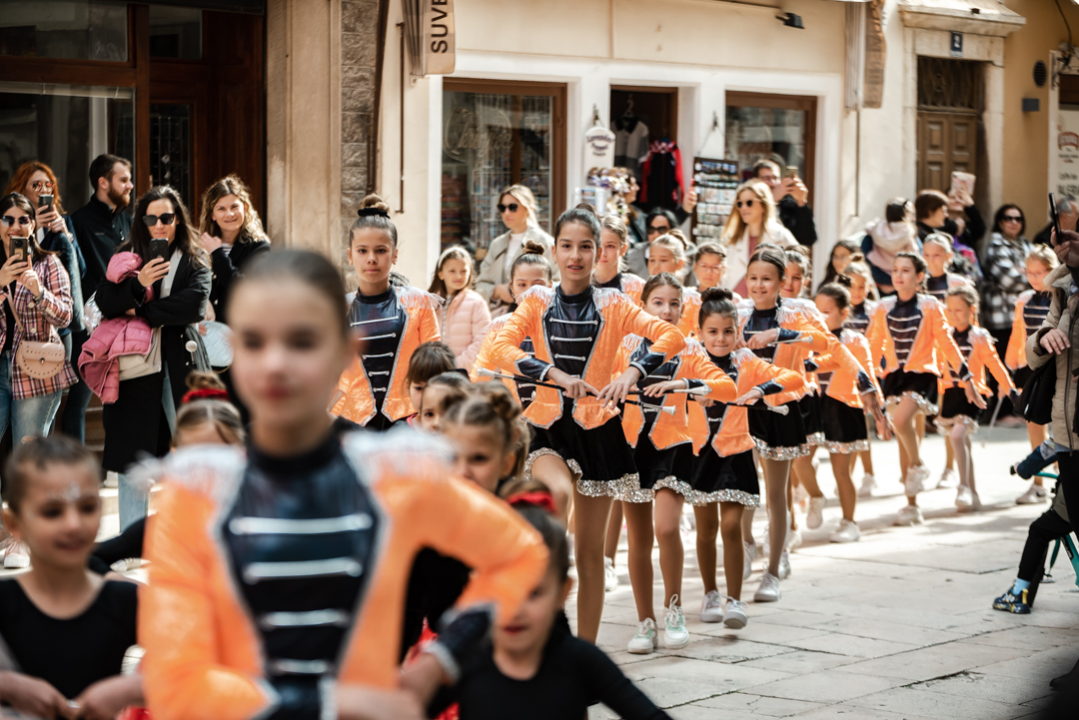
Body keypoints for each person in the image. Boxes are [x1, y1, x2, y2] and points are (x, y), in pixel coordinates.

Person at [139, 248, 548, 720]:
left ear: (345, 351)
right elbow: (174, 679)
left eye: (301, 341)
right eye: (253, 341)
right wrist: (334, 703)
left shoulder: (394, 475)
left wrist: (437, 660)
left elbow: (521, 555)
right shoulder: (197, 495)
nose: (275, 364)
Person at [488, 203, 686, 643]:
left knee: (592, 553)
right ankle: (539, 602)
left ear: (599, 252)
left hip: (599, 432)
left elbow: (671, 336)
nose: (575, 255)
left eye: (585, 247)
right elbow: (498, 346)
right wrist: (552, 374)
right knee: (556, 495)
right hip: (547, 426)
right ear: (554, 251)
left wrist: (632, 372)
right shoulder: (537, 298)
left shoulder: (615, 303)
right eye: (566, 246)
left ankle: (585, 653)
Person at [424, 483, 673, 720]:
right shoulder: (466, 659)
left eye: (533, 593)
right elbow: (404, 704)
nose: (515, 608)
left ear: (562, 593)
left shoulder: (581, 661)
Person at [614, 273, 736, 654]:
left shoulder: (690, 350)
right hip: (629, 447)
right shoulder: (624, 346)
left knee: (666, 528)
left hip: (672, 445)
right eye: (658, 303)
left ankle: (674, 609)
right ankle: (645, 622)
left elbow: (727, 387)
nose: (665, 311)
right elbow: (602, 383)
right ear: (643, 306)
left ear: (683, 310)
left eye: (673, 304)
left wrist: (683, 386)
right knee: (636, 539)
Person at [0, 437, 144, 720]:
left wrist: (126, 689)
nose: (73, 524)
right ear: (14, 523)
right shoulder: (5, 602)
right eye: (52, 512)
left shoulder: (125, 601)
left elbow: (196, 664)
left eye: (87, 507)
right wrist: (9, 685)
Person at [94, 186, 211, 532]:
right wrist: (138, 283)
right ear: (141, 221)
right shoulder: (126, 255)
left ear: (178, 219)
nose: (159, 225)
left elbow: (193, 305)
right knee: (134, 457)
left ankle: (198, 535)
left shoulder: (194, 257)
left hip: (182, 363)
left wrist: (138, 309)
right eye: (151, 218)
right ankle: (131, 539)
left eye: (166, 217)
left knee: (193, 451)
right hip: (134, 367)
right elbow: (105, 301)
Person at [685, 287, 803, 627]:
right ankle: (710, 592)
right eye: (712, 331)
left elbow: (792, 378)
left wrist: (760, 389)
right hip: (699, 455)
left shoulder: (746, 362)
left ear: (738, 332)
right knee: (705, 530)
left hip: (736, 455)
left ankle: (735, 600)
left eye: (727, 331)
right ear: (699, 331)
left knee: (732, 526)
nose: (720, 339)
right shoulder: (690, 358)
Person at [736, 246, 831, 601]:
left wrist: (780, 335)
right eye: (754, 278)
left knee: (776, 495)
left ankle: (773, 569)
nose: (759, 285)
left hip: (782, 414)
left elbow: (825, 344)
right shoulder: (738, 311)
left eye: (767, 279)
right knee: (743, 492)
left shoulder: (797, 312)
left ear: (780, 283)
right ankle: (745, 546)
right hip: (742, 412)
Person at [89, 371, 245, 577]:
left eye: (217, 453)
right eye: (196, 455)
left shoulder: (260, 520)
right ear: (175, 455)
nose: (207, 466)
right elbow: (90, 558)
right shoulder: (162, 525)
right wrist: (119, 585)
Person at [866, 252, 977, 526]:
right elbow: (872, 345)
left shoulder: (931, 305)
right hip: (893, 376)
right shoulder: (882, 307)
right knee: (904, 440)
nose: (898, 274)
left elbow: (947, 343)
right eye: (895, 269)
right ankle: (911, 504)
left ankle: (918, 466)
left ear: (919, 278)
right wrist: (865, 379)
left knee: (901, 420)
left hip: (923, 375)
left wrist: (966, 376)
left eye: (905, 270)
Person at [332, 194, 442, 430]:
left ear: (394, 255)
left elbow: (436, 368)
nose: (371, 259)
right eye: (362, 251)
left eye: (380, 250)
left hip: (409, 421)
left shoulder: (419, 302)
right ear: (350, 255)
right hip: (351, 424)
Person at [1025, 227, 1079, 691]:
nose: (1068, 244)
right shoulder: (1063, 289)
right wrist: (1044, 340)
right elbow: (1034, 355)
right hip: (1068, 437)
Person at [805, 279, 890, 543]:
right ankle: (816, 496)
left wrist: (880, 413)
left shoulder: (855, 340)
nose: (820, 316)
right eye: (817, 311)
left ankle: (849, 522)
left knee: (842, 472)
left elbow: (867, 375)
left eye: (827, 311)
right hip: (811, 407)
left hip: (843, 410)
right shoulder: (806, 339)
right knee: (799, 461)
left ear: (844, 313)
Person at [5, 162, 86, 404]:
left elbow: (79, 271)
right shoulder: (12, 224)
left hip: (56, 328)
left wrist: (67, 238)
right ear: (22, 190)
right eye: (35, 185)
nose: (43, 189)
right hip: (18, 330)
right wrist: (34, 227)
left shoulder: (64, 222)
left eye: (47, 184)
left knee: (46, 410)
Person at [69, 154, 133, 444]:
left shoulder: (130, 221)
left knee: (126, 397)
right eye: (124, 179)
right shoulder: (78, 222)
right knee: (79, 402)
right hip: (91, 326)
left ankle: (115, 467)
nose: (130, 185)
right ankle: (76, 474)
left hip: (130, 323)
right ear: (103, 183)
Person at [937, 285, 1014, 511]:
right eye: (949, 310)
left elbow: (994, 365)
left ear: (972, 310)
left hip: (973, 395)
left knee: (958, 436)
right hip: (951, 394)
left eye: (958, 310)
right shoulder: (945, 336)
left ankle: (962, 487)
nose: (952, 315)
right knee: (963, 443)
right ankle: (974, 493)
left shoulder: (979, 336)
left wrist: (1009, 388)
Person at [472, 239, 554, 410]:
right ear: (512, 288)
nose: (530, 292)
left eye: (537, 285)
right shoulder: (500, 326)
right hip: (519, 422)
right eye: (522, 285)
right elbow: (479, 377)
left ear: (550, 286)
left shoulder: (562, 323)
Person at [1006, 245, 1059, 505]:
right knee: (1033, 423)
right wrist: (1011, 365)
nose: (1035, 278)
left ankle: (1062, 476)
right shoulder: (1025, 299)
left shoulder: (1060, 296)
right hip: (1031, 367)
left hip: (1056, 367)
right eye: (1030, 272)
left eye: (1041, 272)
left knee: (1059, 424)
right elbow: (1019, 333)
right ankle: (1037, 483)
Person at [993, 443, 1070, 615]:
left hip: (1073, 501)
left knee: (1039, 531)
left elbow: (1051, 446)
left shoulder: (1067, 417)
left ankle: (1018, 593)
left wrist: (1023, 468)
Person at [982, 204, 1034, 418]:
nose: (1014, 222)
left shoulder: (1027, 245)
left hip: (1024, 317)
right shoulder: (995, 245)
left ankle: (1016, 411)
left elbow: (1045, 274)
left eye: (1018, 218)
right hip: (1000, 317)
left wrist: (1027, 272)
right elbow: (1010, 280)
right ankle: (1001, 413)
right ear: (1000, 221)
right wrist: (1029, 273)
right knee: (1002, 366)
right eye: (1008, 218)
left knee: (1023, 366)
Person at [475, 184, 557, 315]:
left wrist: (524, 291)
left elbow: (558, 283)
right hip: (498, 319)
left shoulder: (545, 243)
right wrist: (496, 291)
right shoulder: (497, 244)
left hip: (535, 317)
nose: (506, 213)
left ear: (528, 208)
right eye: (502, 208)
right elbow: (480, 284)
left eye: (513, 207)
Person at [842, 260, 881, 496]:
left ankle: (869, 474)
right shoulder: (839, 308)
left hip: (866, 374)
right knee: (852, 426)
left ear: (868, 286)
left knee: (862, 423)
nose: (856, 292)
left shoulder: (875, 311)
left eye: (861, 286)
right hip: (843, 374)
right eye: (851, 286)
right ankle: (848, 475)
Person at [721, 180, 797, 296]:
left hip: (769, 309)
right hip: (734, 308)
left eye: (749, 202)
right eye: (740, 204)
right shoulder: (734, 240)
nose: (743, 208)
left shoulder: (781, 236)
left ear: (763, 205)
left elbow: (797, 271)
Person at [429, 246, 491, 372]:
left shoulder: (476, 302)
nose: (458, 275)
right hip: (434, 375)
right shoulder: (429, 303)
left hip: (465, 376)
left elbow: (483, 341)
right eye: (452, 271)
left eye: (463, 271)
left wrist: (454, 366)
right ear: (441, 274)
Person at [752, 159, 817, 247]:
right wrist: (771, 201)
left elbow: (807, 239)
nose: (773, 183)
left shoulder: (787, 205)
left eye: (775, 178)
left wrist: (801, 202)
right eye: (767, 179)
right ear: (755, 181)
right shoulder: (747, 203)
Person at [861, 198, 919, 296]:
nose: (913, 219)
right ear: (906, 214)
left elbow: (868, 230)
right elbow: (915, 256)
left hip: (878, 279)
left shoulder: (877, 230)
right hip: (902, 280)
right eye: (912, 214)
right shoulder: (908, 232)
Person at [594, 214, 645, 304]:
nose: (602, 253)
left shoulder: (638, 288)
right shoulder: (576, 287)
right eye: (597, 245)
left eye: (610, 246)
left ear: (623, 249)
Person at [406, 341, 458, 426]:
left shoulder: (463, 430)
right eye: (419, 388)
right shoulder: (399, 434)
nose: (426, 396)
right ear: (408, 388)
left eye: (437, 388)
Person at [625, 208, 682, 279]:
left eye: (662, 230)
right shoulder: (632, 255)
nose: (655, 234)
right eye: (651, 230)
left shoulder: (686, 253)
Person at [922, 233, 970, 305]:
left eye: (936, 255)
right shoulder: (919, 283)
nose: (930, 260)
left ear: (948, 256)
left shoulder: (958, 283)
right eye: (926, 255)